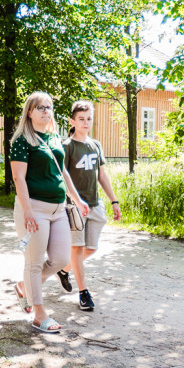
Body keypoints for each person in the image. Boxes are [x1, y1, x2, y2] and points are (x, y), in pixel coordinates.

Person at [10, 92, 89, 334]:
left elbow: (63, 173)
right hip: (34, 209)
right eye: (40, 107)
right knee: (33, 263)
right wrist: (28, 211)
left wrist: (78, 199)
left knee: (61, 259)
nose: (46, 110)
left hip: (58, 209)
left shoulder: (54, 138)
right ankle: (39, 314)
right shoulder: (22, 141)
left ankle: (25, 285)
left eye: (49, 107)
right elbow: (18, 177)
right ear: (30, 112)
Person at [55, 101, 121, 311]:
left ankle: (64, 270)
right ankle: (84, 293)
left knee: (91, 248)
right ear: (72, 121)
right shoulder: (67, 146)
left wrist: (114, 200)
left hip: (94, 203)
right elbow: (62, 177)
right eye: (81, 119)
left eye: (89, 118)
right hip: (74, 206)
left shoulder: (96, 145)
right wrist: (75, 200)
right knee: (77, 247)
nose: (85, 122)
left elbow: (102, 175)